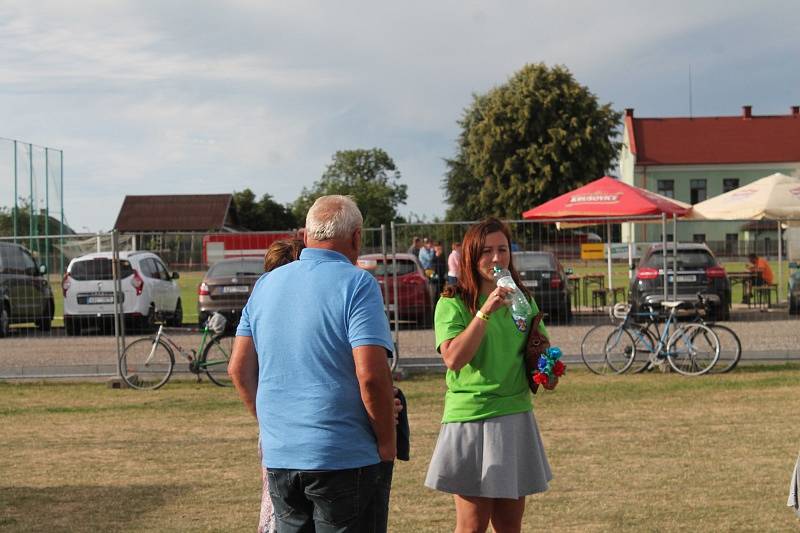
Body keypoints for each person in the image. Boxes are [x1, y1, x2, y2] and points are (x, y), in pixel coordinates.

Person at [229, 195, 397, 532]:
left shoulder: (265, 284)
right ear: (356, 237)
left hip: (281, 454)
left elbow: (238, 369)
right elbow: (371, 377)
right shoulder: (358, 283)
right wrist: (386, 441)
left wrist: (274, 424)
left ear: (306, 235)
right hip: (343, 454)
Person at [424, 217, 555, 533]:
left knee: (510, 526)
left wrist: (547, 367)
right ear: (470, 255)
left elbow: (541, 348)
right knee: (472, 525)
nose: (496, 259)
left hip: (515, 413)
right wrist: (485, 311)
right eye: (486, 251)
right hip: (472, 417)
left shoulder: (522, 299)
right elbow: (454, 359)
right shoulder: (453, 301)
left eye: (502, 249)